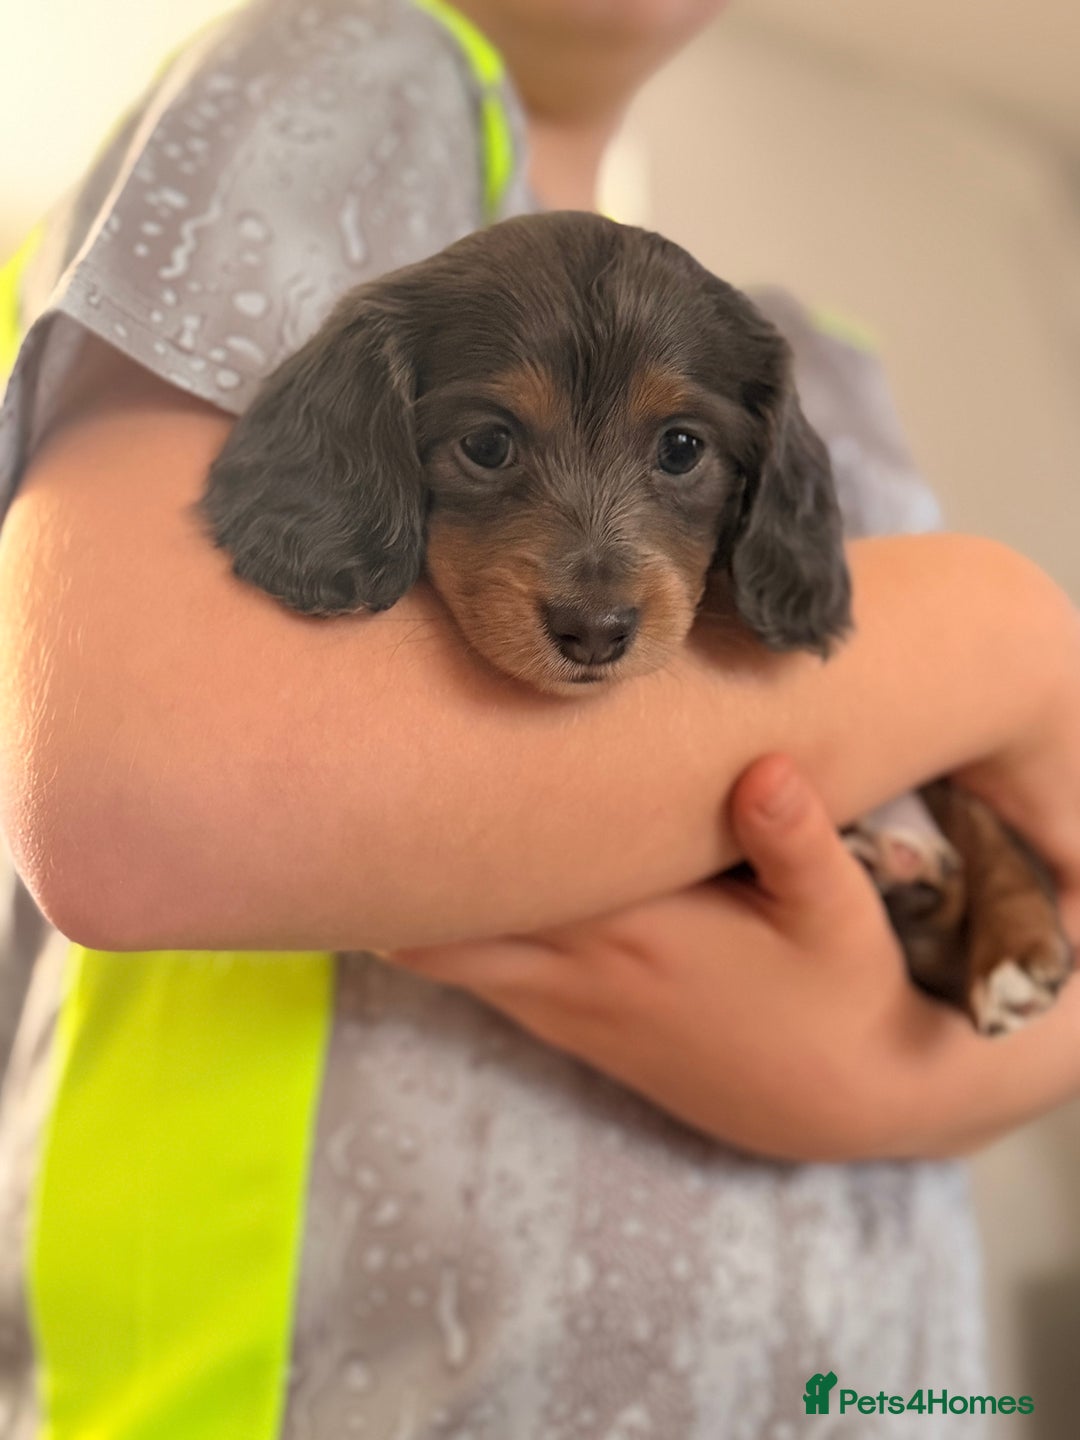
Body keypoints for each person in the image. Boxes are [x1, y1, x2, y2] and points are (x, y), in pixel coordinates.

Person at [1, 0, 1080, 1435]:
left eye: (680, 452)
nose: (598, 590)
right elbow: (139, 797)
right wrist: (1005, 629)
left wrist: (887, 1079)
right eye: (488, 445)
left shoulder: (818, 369)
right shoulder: (338, 76)